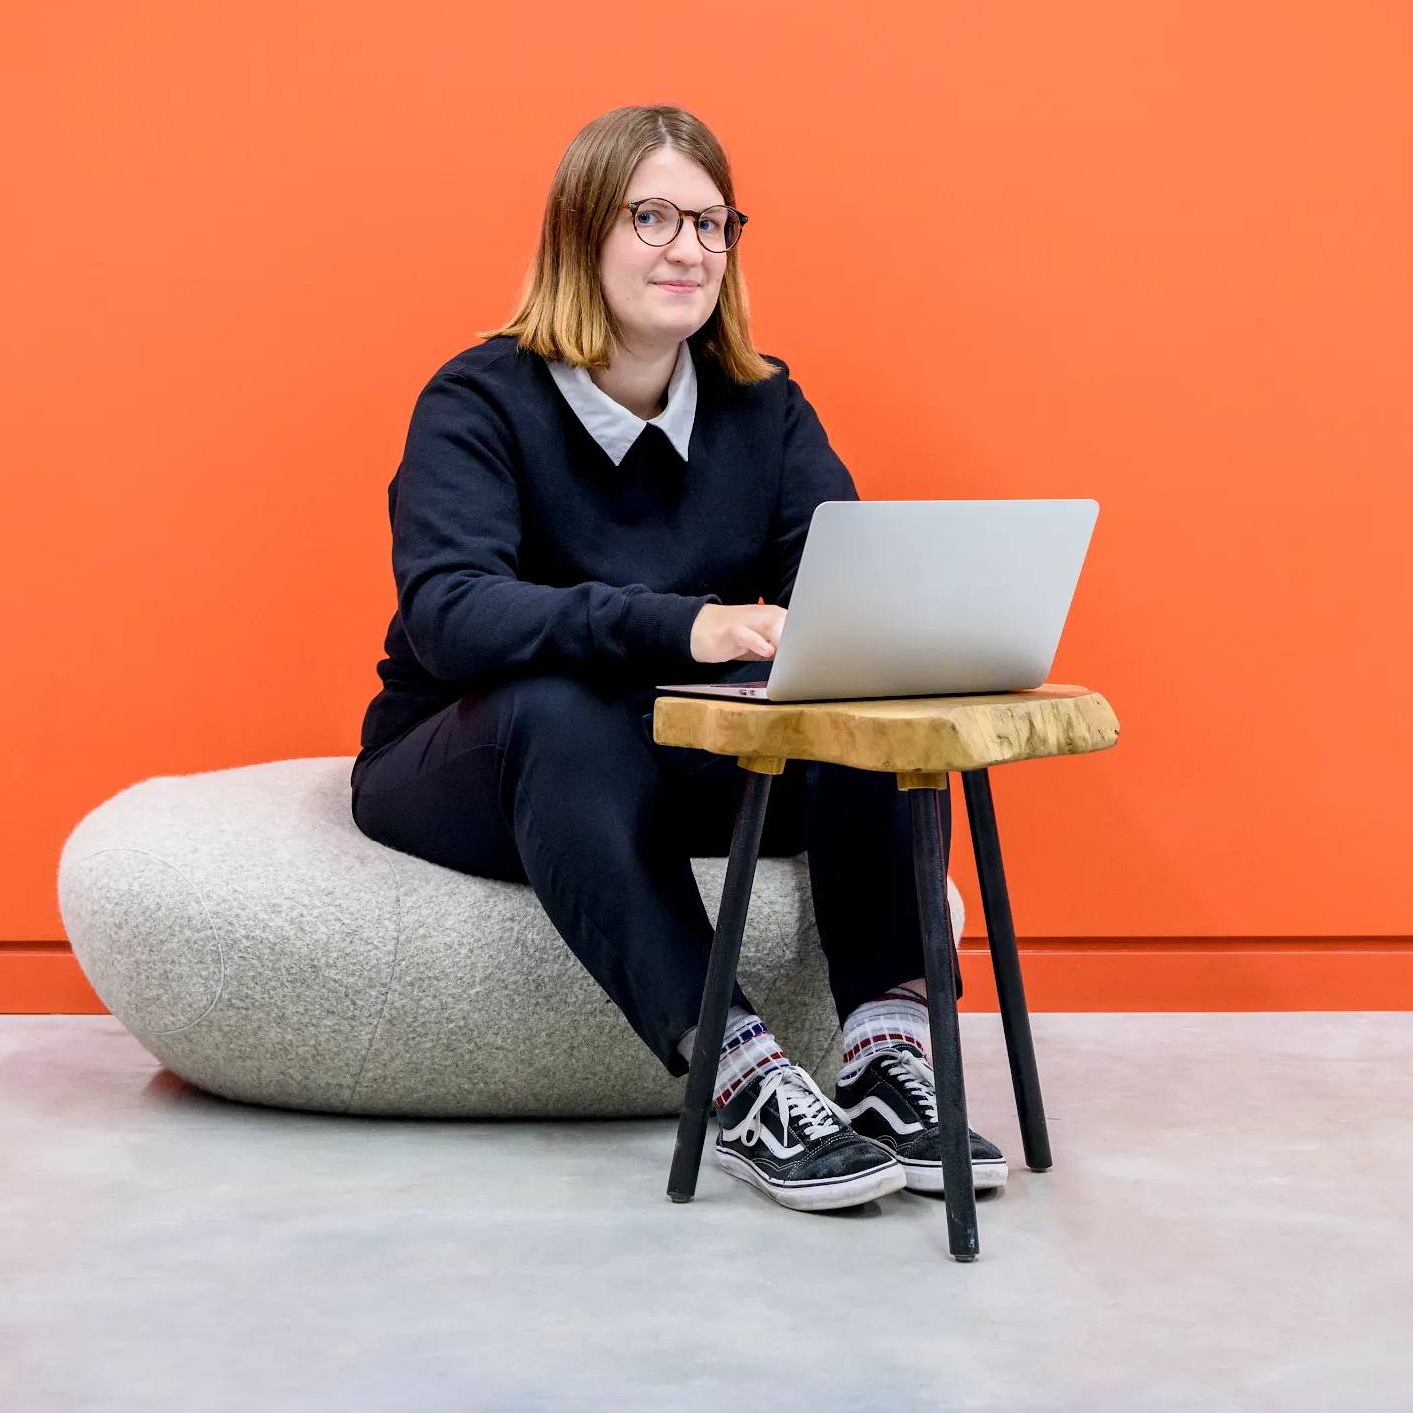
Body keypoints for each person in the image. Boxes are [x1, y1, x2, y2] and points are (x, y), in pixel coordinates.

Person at [351, 105, 1004, 1213]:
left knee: (856, 678)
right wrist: (683, 622)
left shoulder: (764, 405)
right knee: (555, 706)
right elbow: (451, 615)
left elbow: (830, 589)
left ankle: (888, 1059)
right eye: (652, 215)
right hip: (481, 762)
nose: (689, 248)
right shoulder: (478, 400)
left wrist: (870, 632)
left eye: (712, 222)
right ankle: (738, 1073)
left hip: (679, 757)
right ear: (580, 234)